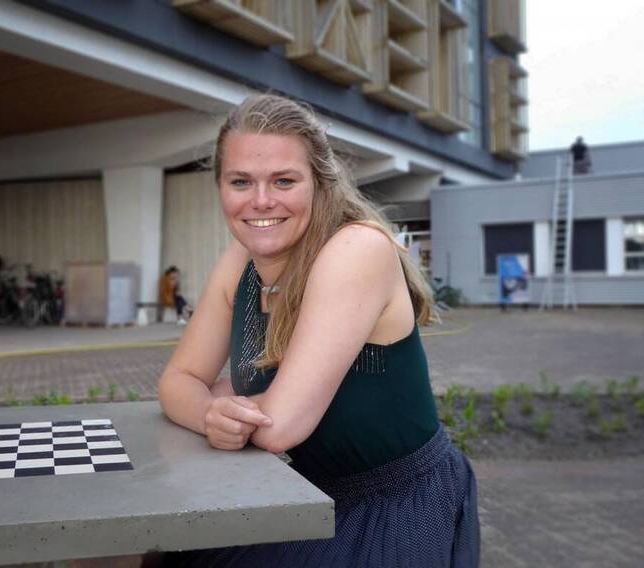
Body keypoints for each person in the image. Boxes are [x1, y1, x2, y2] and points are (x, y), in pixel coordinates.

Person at [157, 94, 479, 566]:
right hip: (311, 499)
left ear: (319, 182)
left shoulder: (355, 249)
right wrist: (211, 414)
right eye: (241, 181)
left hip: (391, 511)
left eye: (284, 180)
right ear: (220, 187)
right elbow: (176, 381)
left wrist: (229, 403)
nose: (261, 201)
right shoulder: (238, 266)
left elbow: (280, 427)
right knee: (134, 552)